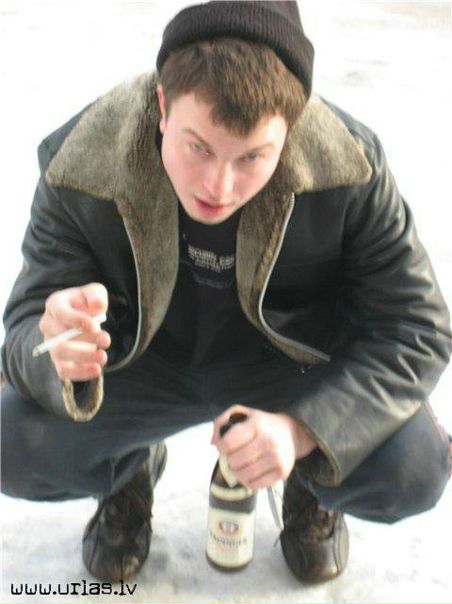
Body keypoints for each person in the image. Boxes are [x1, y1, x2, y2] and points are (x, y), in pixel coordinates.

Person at [1, 0, 451, 586]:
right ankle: (128, 472)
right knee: (11, 444)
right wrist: (53, 347)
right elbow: (24, 326)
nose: (219, 185)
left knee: (412, 469)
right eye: (199, 148)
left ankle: (308, 479)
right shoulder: (83, 158)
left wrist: (305, 431)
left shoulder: (348, 166)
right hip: (139, 362)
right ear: (163, 105)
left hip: (290, 368)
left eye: (253, 157)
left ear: (291, 128)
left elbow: (418, 327)